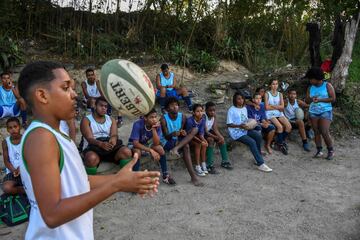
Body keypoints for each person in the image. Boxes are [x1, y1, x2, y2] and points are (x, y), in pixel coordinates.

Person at [18, 61, 160, 239]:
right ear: (42, 95)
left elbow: (79, 180)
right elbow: (52, 215)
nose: (74, 95)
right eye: (65, 88)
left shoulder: (57, 133)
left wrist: (123, 180)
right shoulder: (41, 138)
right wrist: (116, 185)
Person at [80, 97, 132, 175]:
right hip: (93, 147)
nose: (104, 108)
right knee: (91, 158)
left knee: (126, 152)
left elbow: (114, 134)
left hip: (108, 145)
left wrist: (113, 140)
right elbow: (89, 138)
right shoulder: (86, 120)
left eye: (106, 106)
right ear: (95, 106)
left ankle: (124, 177)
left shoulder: (111, 119)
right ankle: (91, 183)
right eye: (101, 106)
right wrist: (101, 144)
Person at [160, 97, 203, 186]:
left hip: (178, 140)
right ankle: (193, 177)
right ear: (167, 109)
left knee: (195, 129)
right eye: (172, 105)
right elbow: (165, 136)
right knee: (186, 146)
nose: (175, 107)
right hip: (167, 141)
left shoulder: (182, 116)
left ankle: (176, 148)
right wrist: (173, 134)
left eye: (176, 105)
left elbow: (184, 131)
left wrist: (183, 132)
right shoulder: (163, 119)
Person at [227, 92, 272, 172]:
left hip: (244, 129)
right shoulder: (232, 110)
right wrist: (239, 126)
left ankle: (257, 157)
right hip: (236, 132)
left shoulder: (244, 108)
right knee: (252, 142)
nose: (241, 100)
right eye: (238, 99)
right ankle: (260, 164)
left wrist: (252, 123)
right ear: (235, 100)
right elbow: (229, 124)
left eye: (242, 99)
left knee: (258, 136)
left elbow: (245, 119)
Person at [128, 108, 176, 185]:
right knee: (137, 152)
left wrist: (154, 130)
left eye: (155, 117)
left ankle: (165, 175)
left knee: (160, 149)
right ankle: (135, 179)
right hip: (134, 145)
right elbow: (135, 143)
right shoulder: (137, 124)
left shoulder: (157, 125)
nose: (154, 119)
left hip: (147, 144)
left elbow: (156, 143)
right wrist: (150, 150)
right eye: (151, 117)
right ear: (145, 118)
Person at [305, 67, 336, 160]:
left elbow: (333, 99)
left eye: (311, 78)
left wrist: (320, 99)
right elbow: (307, 100)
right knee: (316, 132)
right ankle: (319, 151)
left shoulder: (327, 85)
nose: (310, 80)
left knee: (324, 131)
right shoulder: (310, 87)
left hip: (325, 111)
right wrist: (311, 99)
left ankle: (330, 150)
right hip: (313, 111)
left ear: (316, 78)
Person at [264, 79, 292, 155]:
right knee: (280, 127)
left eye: (276, 84)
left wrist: (272, 106)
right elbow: (266, 107)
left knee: (289, 127)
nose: (275, 86)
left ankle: (279, 142)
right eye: (273, 84)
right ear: (270, 85)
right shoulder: (267, 94)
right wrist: (277, 107)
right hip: (270, 113)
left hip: (278, 112)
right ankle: (280, 145)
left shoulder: (280, 94)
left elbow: (282, 107)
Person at [204, 101, 232, 172]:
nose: (212, 112)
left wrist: (220, 136)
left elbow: (215, 128)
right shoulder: (204, 117)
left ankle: (225, 161)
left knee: (222, 140)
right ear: (206, 110)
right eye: (210, 110)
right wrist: (215, 137)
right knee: (211, 140)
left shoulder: (214, 116)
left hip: (209, 131)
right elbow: (205, 131)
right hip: (202, 132)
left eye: (214, 110)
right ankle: (209, 165)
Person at [2, 117, 25, 195]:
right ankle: (24, 190)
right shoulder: (5, 142)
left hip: (26, 170)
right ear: (7, 130)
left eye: (15, 127)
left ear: (20, 127)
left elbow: (29, 158)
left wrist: (21, 168)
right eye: (10, 128)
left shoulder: (26, 138)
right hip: (13, 172)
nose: (13, 129)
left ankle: (26, 188)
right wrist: (14, 170)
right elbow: (6, 160)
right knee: (7, 187)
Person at [186, 104, 208, 176]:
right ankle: (197, 166)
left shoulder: (202, 120)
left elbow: (201, 133)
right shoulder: (190, 121)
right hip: (187, 138)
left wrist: (204, 140)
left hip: (196, 136)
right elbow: (190, 134)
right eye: (197, 111)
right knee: (198, 144)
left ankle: (203, 163)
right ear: (193, 113)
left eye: (201, 111)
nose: (200, 113)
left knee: (204, 144)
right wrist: (200, 141)